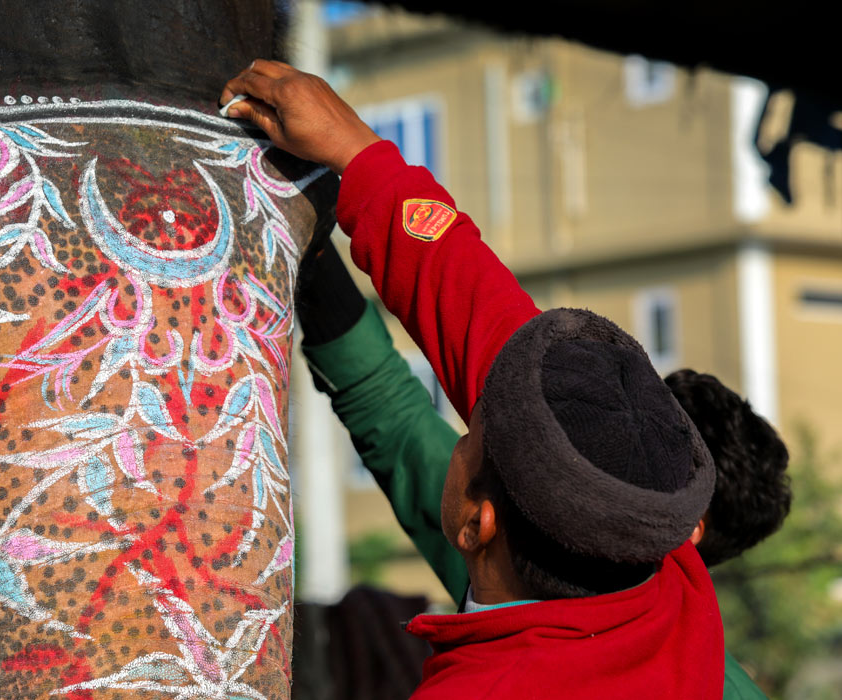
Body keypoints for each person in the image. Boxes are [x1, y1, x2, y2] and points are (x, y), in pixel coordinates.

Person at [221, 60, 724, 698]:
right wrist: (361, 158)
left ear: (475, 525)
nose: (471, 398)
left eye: (469, 426)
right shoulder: (662, 573)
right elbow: (481, 321)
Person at [297, 239, 791, 700]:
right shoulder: (567, 559)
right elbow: (398, 412)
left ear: (685, 530)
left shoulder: (521, 552)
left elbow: (395, 414)